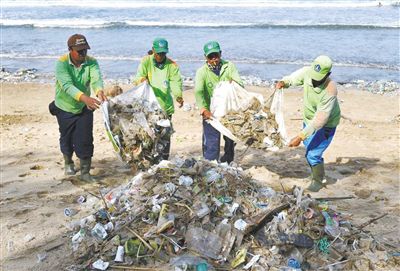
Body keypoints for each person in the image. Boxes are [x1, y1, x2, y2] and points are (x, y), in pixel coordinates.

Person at [275, 55, 341, 192]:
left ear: (328, 74)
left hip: (326, 123)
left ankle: (319, 180)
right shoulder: (307, 72)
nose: (314, 80)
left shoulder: (330, 89)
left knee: (313, 154)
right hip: (308, 119)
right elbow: (293, 79)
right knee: (309, 148)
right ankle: (315, 174)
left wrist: (300, 136)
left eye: (319, 77)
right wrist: (284, 82)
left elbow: (320, 120)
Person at [52, 34, 107, 181]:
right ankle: (68, 162)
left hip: (84, 107)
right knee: (67, 137)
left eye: (85, 51)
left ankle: (85, 173)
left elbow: (96, 79)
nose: (83, 54)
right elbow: (67, 86)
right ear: (70, 50)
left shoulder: (92, 62)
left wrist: (99, 91)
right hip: (64, 107)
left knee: (85, 139)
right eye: (79, 51)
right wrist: (85, 98)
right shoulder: (61, 63)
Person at [133, 37, 183, 160]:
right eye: (158, 53)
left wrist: (178, 96)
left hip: (165, 107)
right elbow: (137, 78)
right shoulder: (146, 62)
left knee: (165, 136)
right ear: (153, 50)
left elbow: (176, 82)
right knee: (149, 136)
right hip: (149, 106)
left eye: (163, 53)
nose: (160, 56)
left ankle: (164, 160)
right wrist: (142, 80)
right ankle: (149, 160)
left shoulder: (172, 65)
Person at [195, 41, 244, 163]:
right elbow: (198, 92)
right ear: (205, 57)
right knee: (211, 141)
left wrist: (235, 84)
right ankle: (211, 165)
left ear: (220, 54)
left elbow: (240, 85)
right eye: (210, 57)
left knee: (230, 140)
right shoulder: (202, 72)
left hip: (228, 110)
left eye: (216, 55)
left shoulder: (229, 66)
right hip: (210, 112)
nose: (214, 59)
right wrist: (203, 109)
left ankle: (227, 161)